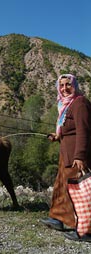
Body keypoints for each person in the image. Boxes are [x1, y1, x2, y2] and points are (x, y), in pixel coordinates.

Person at [41, 74, 91, 242]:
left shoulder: (80, 103)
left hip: (76, 156)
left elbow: (84, 131)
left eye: (68, 84)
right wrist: (57, 136)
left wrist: (80, 156)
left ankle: (85, 231)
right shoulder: (66, 105)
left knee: (79, 192)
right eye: (61, 85)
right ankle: (58, 219)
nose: (64, 88)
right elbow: (69, 129)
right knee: (62, 187)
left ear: (75, 85)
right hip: (66, 155)